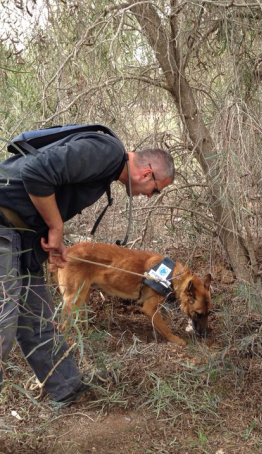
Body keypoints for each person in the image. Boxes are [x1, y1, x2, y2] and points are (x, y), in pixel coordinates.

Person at [0, 127, 175, 403]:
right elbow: (35, 172)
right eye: (154, 190)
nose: (149, 196)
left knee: (38, 319)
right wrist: (55, 226)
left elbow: (48, 187)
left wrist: (50, 239)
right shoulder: (108, 152)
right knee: (4, 321)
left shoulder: (107, 167)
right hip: (4, 223)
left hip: (22, 236)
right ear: (147, 174)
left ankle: (67, 389)